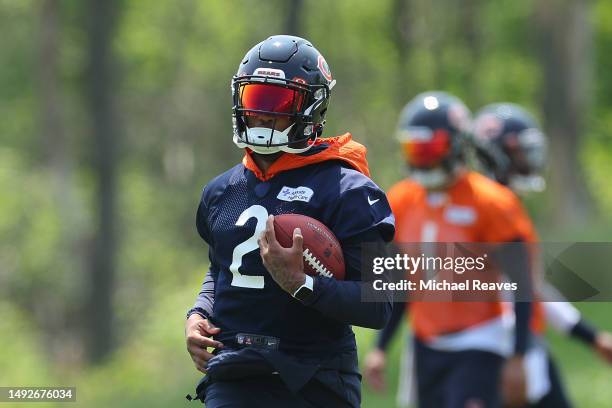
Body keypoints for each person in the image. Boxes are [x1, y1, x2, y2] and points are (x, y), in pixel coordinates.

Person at [184, 35, 395, 407]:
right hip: (236, 375)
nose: (262, 114)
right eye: (255, 99)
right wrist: (198, 314)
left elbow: (378, 304)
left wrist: (301, 284)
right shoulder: (220, 191)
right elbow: (222, 269)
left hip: (315, 380)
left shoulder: (348, 190)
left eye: (278, 102)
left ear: (311, 105)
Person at [363, 91, 535, 408]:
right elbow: (402, 284)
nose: (421, 157)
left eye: (429, 147)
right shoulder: (401, 200)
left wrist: (519, 355)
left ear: (456, 144)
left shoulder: (491, 201)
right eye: (413, 148)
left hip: (480, 339)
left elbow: (522, 282)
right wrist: (380, 346)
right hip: (426, 343)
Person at [473, 102, 612, 407]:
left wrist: (590, 336)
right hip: (506, 350)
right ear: (498, 154)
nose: (529, 159)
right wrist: (516, 355)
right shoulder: (489, 208)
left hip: (523, 345)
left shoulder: (502, 204)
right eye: (521, 151)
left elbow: (531, 286)